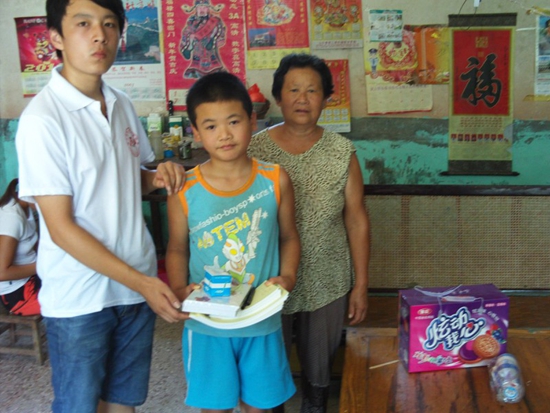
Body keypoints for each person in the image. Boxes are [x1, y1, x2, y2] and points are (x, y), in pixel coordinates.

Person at [15, 1, 187, 412]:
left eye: (109, 24)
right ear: (55, 37)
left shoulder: (121, 103)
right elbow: (61, 229)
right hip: (81, 297)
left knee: (123, 403)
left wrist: (157, 176)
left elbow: (129, 177)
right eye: (83, 23)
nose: (99, 35)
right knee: (80, 406)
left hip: (134, 286)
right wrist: (144, 283)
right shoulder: (43, 119)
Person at [165, 71, 300, 412]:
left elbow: (289, 236)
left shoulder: (275, 179)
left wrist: (288, 276)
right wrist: (179, 289)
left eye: (234, 121)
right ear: (196, 132)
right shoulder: (185, 189)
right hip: (207, 323)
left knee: (260, 406)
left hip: (260, 319)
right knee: (215, 407)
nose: (224, 134)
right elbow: (177, 248)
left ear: (252, 121)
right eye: (211, 126)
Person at [247, 53, 370, 413]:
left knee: (319, 370)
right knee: (269, 366)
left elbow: (357, 220)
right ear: (278, 97)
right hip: (268, 277)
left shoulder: (342, 152)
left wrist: (360, 284)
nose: (303, 99)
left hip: (326, 277)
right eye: (293, 90)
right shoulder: (253, 150)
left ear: (327, 98)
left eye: (312, 90)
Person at [0, 178, 41, 316]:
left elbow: (34, 246)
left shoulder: (26, 209)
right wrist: (44, 265)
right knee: (73, 296)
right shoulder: (11, 217)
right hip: (18, 294)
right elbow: (1, 273)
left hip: (33, 279)